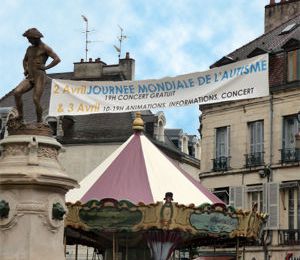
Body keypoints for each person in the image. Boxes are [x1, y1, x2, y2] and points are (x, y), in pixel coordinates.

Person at [14, 28, 61, 123]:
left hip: (39, 76)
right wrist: (25, 69)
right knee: (17, 92)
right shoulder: (29, 48)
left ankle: (39, 121)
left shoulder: (45, 48)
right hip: (30, 76)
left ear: (36, 38)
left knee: (36, 99)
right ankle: (20, 116)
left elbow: (57, 59)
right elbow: (24, 60)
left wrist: (46, 67)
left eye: (29, 39)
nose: (28, 41)